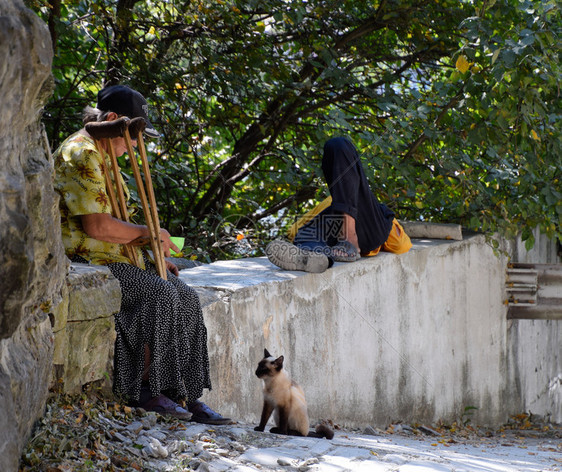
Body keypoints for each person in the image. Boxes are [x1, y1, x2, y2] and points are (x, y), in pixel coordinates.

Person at [53, 84, 230, 424]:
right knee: (158, 293)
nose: (135, 144)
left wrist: (154, 255)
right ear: (114, 120)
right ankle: (146, 392)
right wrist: (149, 235)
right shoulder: (82, 152)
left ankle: (186, 394)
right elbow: (98, 227)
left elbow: (120, 227)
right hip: (88, 261)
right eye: (132, 135)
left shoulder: (105, 154)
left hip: (117, 258)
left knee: (186, 297)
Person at [266, 136, 412, 272]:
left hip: (365, 229)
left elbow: (400, 244)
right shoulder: (327, 204)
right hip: (334, 241)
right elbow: (295, 232)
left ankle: (349, 238)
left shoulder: (367, 203)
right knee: (306, 236)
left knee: (338, 145)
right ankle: (317, 258)